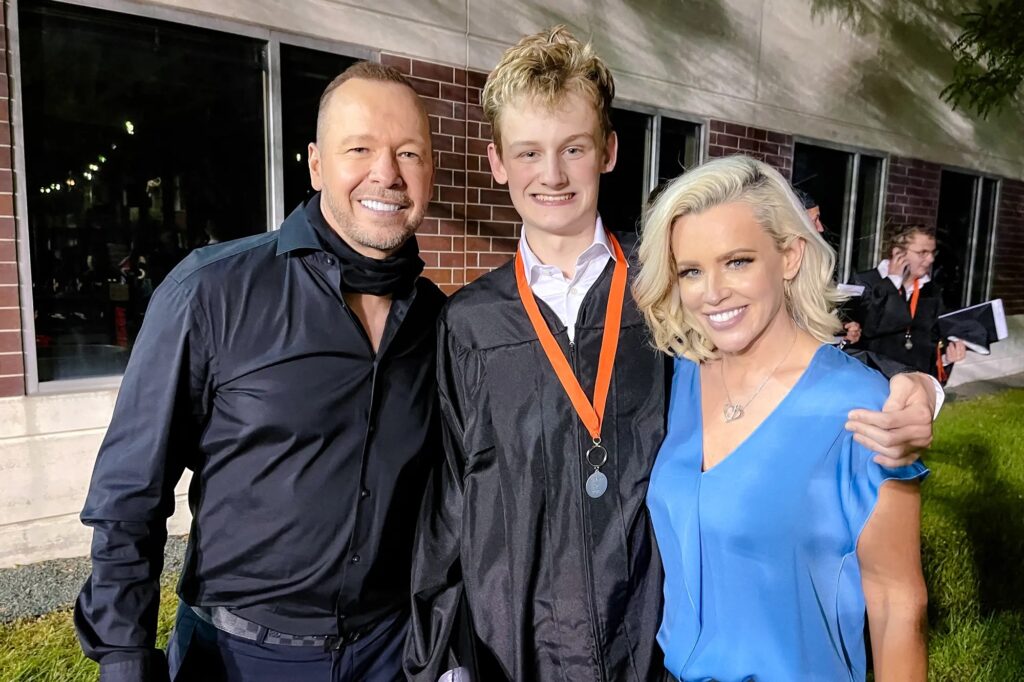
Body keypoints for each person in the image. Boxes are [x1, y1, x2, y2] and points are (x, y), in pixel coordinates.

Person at [405, 27, 937, 682]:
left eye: (574, 148)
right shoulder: (471, 325)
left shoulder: (662, 289)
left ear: (608, 150)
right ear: (496, 162)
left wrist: (915, 386)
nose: (552, 174)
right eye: (529, 152)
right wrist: (443, 662)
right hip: (518, 652)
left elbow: (782, 358)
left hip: (647, 652)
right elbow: (450, 505)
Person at [74, 61, 444, 682]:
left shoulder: (440, 323)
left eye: (409, 152)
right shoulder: (212, 292)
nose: (387, 172)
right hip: (239, 658)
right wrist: (122, 654)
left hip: (393, 651)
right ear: (316, 164)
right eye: (359, 149)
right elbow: (129, 493)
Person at [634, 155, 929, 681]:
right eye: (691, 271)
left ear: (789, 256)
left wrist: (924, 385)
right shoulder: (680, 379)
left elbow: (898, 606)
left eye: (738, 261)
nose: (713, 292)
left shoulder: (861, 405)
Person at [848, 223, 967, 383]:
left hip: (914, 384)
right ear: (898, 253)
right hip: (872, 382)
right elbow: (872, 327)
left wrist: (946, 359)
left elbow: (932, 344)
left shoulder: (931, 291)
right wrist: (892, 282)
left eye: (933, 252)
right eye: (922, 253)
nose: (931, 259)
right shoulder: (865, 283)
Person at [793, 186, 862, 344]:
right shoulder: (777, 267)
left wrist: (841, 330)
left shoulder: (814, 263)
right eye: (815, 220)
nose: (820, 228)